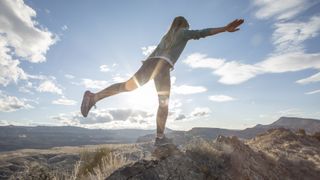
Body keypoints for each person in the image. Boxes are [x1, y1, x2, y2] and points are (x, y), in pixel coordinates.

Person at [81, 16, 244, 146]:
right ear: (183, 25)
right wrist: (224, 28)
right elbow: (201, 33)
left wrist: (147, 65)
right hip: (161, 67)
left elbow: (153, 53)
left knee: (127, 87)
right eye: (187, 26)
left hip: (151, 64)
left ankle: (94, 97)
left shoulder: (166, 37)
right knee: (163, 103)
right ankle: (160, 139)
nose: (188, 29)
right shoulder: (182, 32)